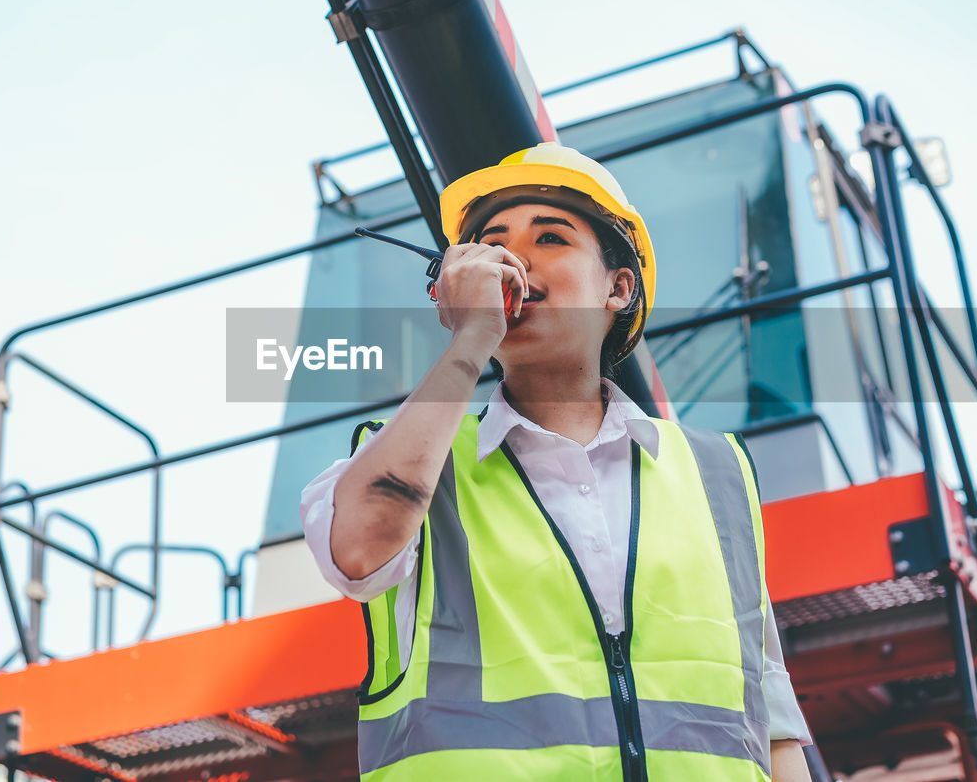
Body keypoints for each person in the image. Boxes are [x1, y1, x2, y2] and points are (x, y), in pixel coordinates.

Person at [301, 142, 813, 781]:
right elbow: (356, 549)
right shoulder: (411, 460)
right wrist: (471, 340)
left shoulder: (716, 475)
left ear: (618, 288)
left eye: (550, 237)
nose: (512, 259)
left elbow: (770, 722)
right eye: (492, 243)